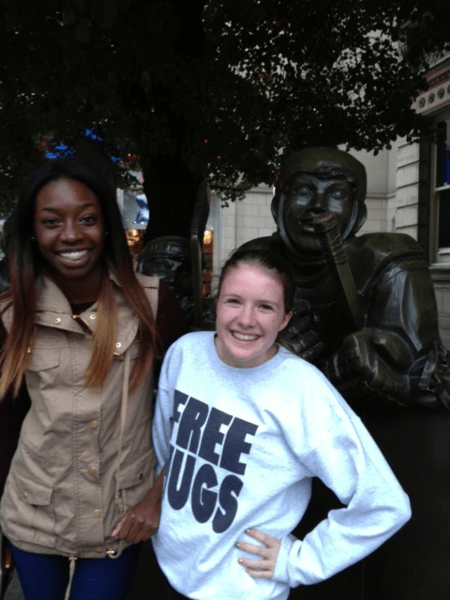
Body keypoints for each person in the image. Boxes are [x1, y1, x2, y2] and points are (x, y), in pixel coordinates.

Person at [151, 248, 411, 600]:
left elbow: (384, 503)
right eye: (233, 301)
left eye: (265, 307)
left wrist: (299, 561)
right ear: (216, 304)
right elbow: (166, 450)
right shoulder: (185, 354)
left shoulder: (303, 391)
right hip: (167, 570)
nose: (246, 319)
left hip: (243, 589)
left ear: (285, 318)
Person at [0, 158, 186, 600]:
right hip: (34, 513)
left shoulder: (153, 304)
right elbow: (5, 425)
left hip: (121, 516)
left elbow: (193, 414)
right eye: (51, 221)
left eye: (87, 219)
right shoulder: (11, 314)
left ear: (106, 227)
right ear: (31, 229)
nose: (70, 234)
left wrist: (157, 495)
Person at [240, 147, 450, 411]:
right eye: (303, 191)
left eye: (337, 194)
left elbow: (423, 375)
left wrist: (378, 375)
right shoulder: (254, 261)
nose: (317, 205)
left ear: (357, 214)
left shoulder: (384, 260)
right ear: (277, 206)